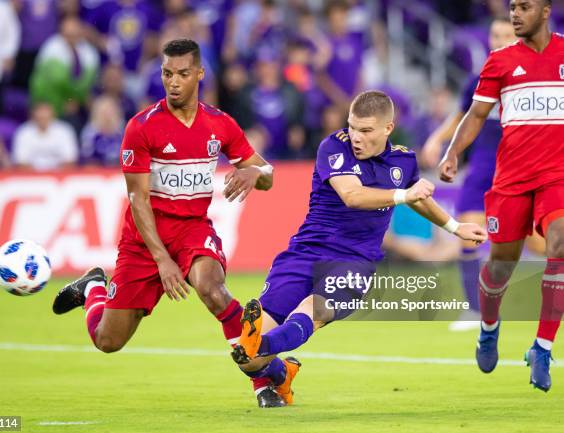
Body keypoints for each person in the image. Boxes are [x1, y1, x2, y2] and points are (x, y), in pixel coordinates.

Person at [230, 90, 487, 407]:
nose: (356, 137)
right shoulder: (333, 146)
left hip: (354, 262)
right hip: (304, 253)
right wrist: (403, 196)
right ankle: (280, 373)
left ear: (387, 129)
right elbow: (353, 195)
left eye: (366, 130)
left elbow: (419, 199)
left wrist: (454, 227)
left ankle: (262, 343)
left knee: (313, 311)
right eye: (352, 127)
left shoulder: (403, 159)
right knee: (247, 362)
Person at [51, 39, 274, 392]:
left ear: (199, 74)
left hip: (192, 231)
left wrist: (255, 172)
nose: (173, 82)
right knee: (108, 341)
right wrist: (162, 260)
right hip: (144, 241)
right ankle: (94, 286)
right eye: (167, 74)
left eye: (183, 74)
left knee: (213, 291)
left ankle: (263, 383)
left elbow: (268, 175)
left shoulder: (220, 124)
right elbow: (138, 200)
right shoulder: (142, 127)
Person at [439, 0, 564, 392]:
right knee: (500, 267)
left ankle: (542, 347)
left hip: (555, 177)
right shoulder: (500, 62)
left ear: (544, 11)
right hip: (510, 180)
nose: (514, 14)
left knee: (559, 245)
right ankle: (488, 326)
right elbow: (475, 115)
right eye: (512, 8)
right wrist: (452, 152)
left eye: (523, 7)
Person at [421, 17, 517, 331]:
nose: (499, 40)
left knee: (543, 240)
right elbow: (462, 116)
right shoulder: (479, 79)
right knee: (467, 231)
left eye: (506, 35)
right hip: (484, 166)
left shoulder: (530, 78)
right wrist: (438, 139)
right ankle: (475, 310)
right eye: (495, 34)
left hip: (520, 166)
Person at [12, 102, 79, 170]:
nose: (43, 119)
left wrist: (51, 175)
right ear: (33, 116)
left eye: (46, 117)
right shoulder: (23, 132)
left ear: (53, 115)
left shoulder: (65, 130)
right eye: (40, 117)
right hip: (31, 177)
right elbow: (20, 163)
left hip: (60, 175)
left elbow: (70, 161)